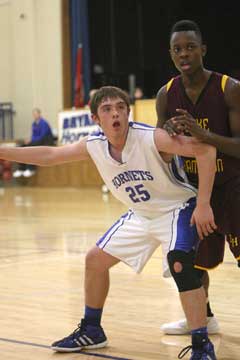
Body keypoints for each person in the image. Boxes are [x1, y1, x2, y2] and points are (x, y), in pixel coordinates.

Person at [0, 86, 217, 359]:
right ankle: (92, 329)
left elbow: (206, 150)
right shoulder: (94, 145)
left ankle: (202, 346)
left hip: (177, 208)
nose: (115, 113)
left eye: (120, 107)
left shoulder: (151, 137)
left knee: (179, 263)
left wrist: (204, 203)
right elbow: (51, 156)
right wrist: (5, 153)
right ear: (95, 119)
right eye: (107, 109)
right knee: (94, 259)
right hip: (141, 214)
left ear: (128, 112)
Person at [156, 19, 240, 336]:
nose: (184, 54)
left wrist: (204, 134)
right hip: (195, 190)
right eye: (178, 49)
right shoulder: (166, 94)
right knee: (194, 262)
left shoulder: (229, 89)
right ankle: (202, 318)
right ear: (171, 54)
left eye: (191, 47)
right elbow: (161, 147)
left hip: (234, 187)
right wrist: (170, 133)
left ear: (203, 49)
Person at [13, 108, 55, 178]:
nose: (34, 115)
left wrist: (31, 140)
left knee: (31, 147)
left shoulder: (44, 123)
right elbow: (33, 135)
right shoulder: (33, 124)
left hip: (46, 142)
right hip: (37, 141)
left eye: (36, 114)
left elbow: (42, 136)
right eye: (33, 114)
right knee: (21, 146)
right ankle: (21, 169)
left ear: (39, 114)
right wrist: (29, 139)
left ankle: (31, 169)